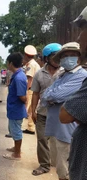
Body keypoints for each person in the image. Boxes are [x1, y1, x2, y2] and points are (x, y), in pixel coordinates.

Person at [41, 42, 87, 180]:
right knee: (60, 168)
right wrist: (53, 96)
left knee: (66, 171)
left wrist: (53, 97)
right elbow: (45, 96)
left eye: (72, 55)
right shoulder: (62, 75)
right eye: (65, 56)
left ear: (79, 58)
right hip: (57, 129)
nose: (69, 58)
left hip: (68, 131)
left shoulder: (81, 76)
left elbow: (54, 95)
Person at [59, 7, 87, 180]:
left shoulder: (82, 75)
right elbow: (50, 95)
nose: (79, 37)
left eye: (83, 30)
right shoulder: (61, 74)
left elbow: (65, 114)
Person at [30, 43, 62, 176]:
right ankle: (44, 165)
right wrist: (33, 111)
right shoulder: (39, 74)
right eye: (55, 56)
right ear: (47, 58)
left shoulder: (65, 72)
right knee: (42, 139)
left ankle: (60, 164)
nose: (58, 59)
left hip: (61, 114)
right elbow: (36, 94)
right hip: (43, 113)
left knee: (61, 141)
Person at [3, 52, 27, 161]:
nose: (7, 65)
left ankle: (17, 154)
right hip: (14, 109)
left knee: (16, 131)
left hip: (16, 110)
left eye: (8, 62)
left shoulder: (19, 78)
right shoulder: (17, 75)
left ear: (11, 63)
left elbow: (22, 96)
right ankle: (15, 148)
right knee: (13, 130)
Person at [22, 45, 41, 135]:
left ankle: (28, 127)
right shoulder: (35, 64)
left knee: (27, 108)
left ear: (26, 55)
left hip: (31, 89)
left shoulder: (31, 65)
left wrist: (25, 90)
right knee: (31, 109)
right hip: (35, 89)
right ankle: (31, 127)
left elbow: (29, 79)